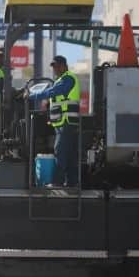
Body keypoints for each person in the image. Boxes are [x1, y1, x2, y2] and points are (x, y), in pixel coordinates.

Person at [27, 55, 81, 187]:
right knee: (69, 154)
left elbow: (55, 92)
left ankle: (58, 182)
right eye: (54, 67)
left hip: (66, 122)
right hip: (63, 123)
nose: (55, 69)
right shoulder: (60, 80)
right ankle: (72, 182)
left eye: (57, 66)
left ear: (64, 66)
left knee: (60, 151)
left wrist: (32, 96)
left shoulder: (68, 78)